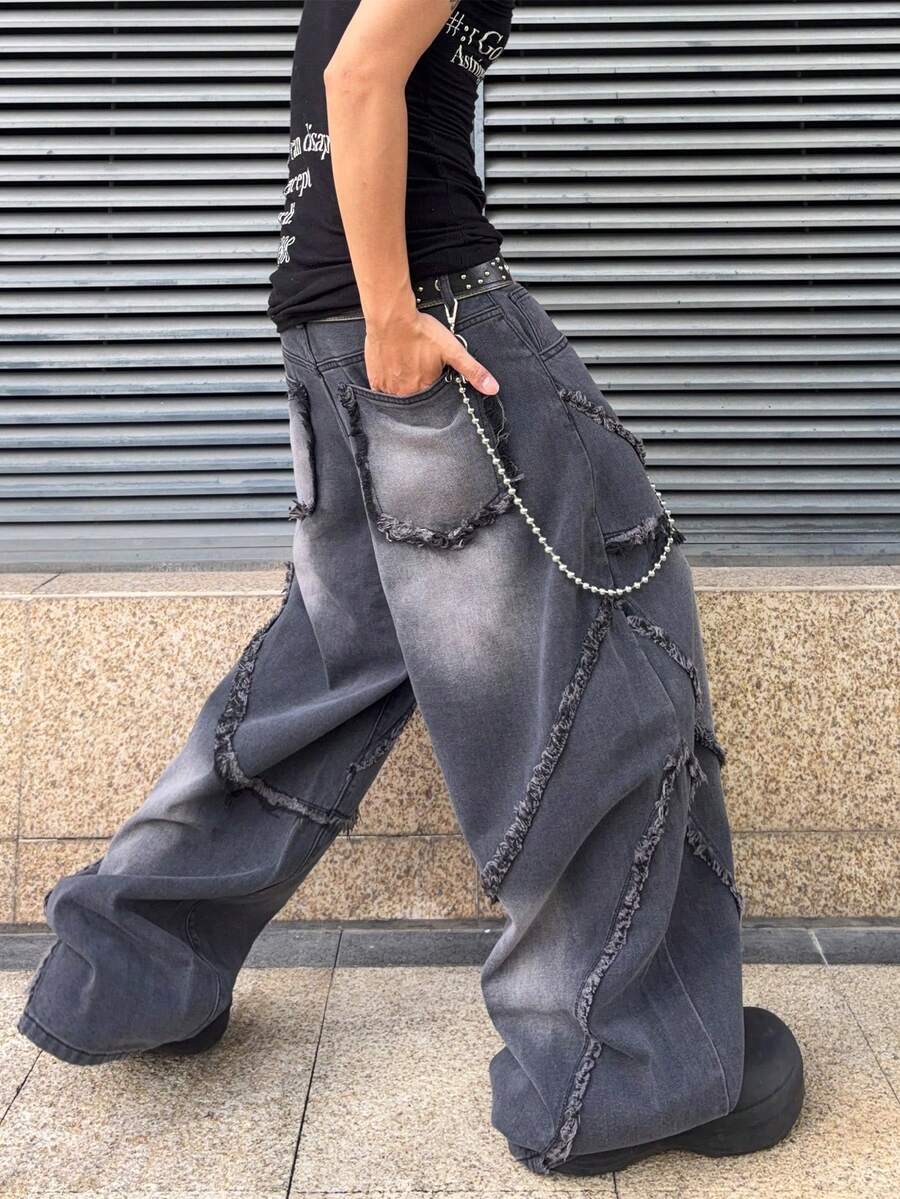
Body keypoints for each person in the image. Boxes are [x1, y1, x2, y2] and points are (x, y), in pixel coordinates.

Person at [18, 0, 805, 1177]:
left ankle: (125, 969)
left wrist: (369, 317)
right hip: (424, 315)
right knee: (606, 649)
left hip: (332, 331)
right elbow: (359, 77)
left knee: (335, 665)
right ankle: (620, 1065)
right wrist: (394, 311)